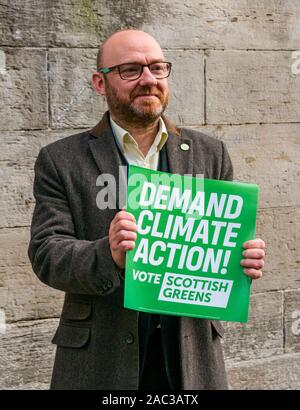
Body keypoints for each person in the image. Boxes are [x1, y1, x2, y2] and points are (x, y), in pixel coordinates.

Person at [28, 29, 266, 390]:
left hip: (189, 355)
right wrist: (106, 254)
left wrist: (241, 259)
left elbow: (220, 246)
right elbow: (46, 253)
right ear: (99, 82)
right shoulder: (60, 160)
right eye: (131, 70)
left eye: (157, 67)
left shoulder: (210, 153)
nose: (149, 80)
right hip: (101, 357)